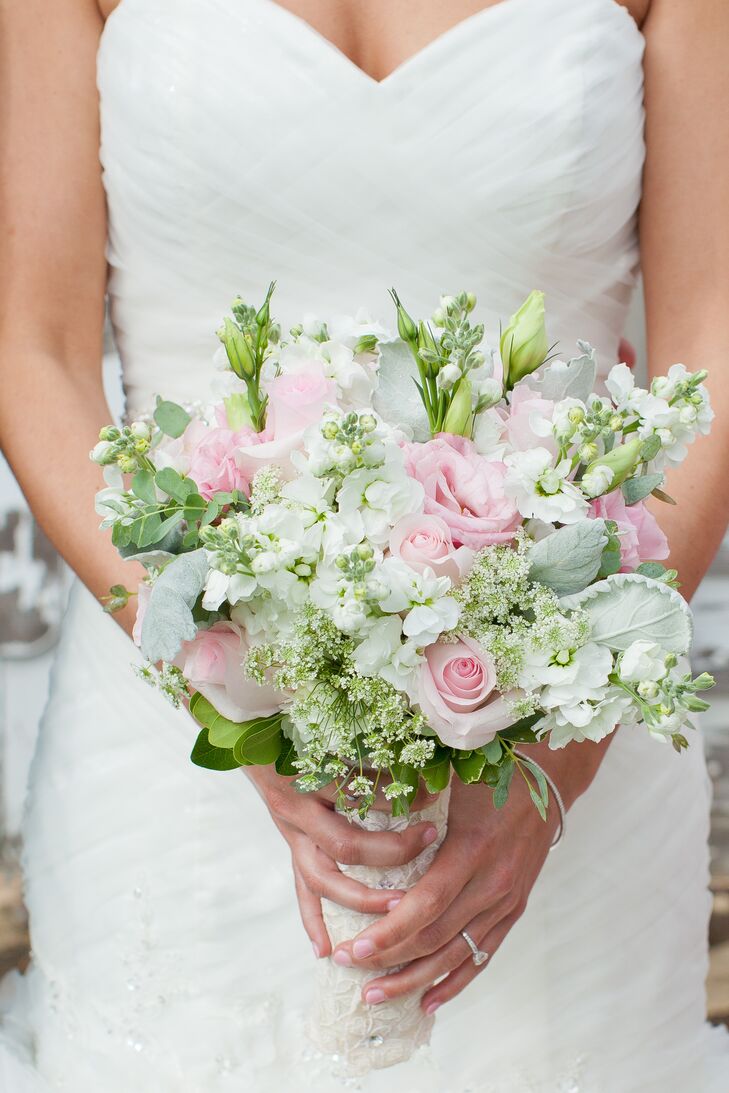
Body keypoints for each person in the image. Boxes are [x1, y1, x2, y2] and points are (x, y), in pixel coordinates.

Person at [1, 1, 728, 1089]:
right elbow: (33, 347)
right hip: (167, 757)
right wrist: (227, 686)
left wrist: (550, 765)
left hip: (567, 739)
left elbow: (710, 350)